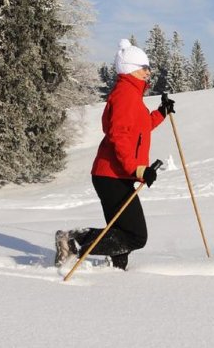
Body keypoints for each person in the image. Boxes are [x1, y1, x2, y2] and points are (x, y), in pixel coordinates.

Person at [54, 39, 174, 271]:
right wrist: (136, 169)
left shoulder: (131, 96)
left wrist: (160, 114)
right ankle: (71, 242)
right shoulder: (125, 96)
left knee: (121, 234)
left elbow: (136, 130)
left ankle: (115, 273)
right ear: (130, 68)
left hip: (115, 175)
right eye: (144, 68)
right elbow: (119, 136)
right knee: (136, 236)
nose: (148, 73)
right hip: (112, 176)